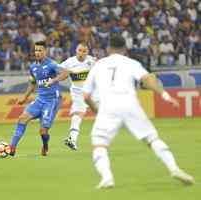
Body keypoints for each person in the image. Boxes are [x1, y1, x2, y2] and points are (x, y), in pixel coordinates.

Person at [83, 35, 194, 189]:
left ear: (108, 48)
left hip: (108, 106)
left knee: (99, 144)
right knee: (152, 139)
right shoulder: (131, 63)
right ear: (124, 49)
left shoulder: (98, 65)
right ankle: (174, 168)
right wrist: (165, 95)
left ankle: (107, 178)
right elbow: (148, 79)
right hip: (130, 104)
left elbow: (86, 96)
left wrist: (97, 111)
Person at [9, 41, 69, 156]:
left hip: (52, 101)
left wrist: (54, 80)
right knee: (22, 118)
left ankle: (45, 145)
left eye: (40, 50)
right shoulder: (33, 67)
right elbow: (32, 83)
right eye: (36, 50)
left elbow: (65, 73)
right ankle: (12, 148)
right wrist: (24, 98)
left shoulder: (52, 64)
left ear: (45, 51)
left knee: (43, 131)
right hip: (39, 99)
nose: (37, 52)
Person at [59, 43, 96, 150]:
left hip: (93, 92)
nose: (81, 53)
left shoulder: (92, 61)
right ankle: (72, 139)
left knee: (103, 112)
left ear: (87, 52)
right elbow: (57, 70)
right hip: (78, 93)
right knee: (78, 114)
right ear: (76, 50)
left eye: (84, 51)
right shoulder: (69, 62)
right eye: (80, 50)